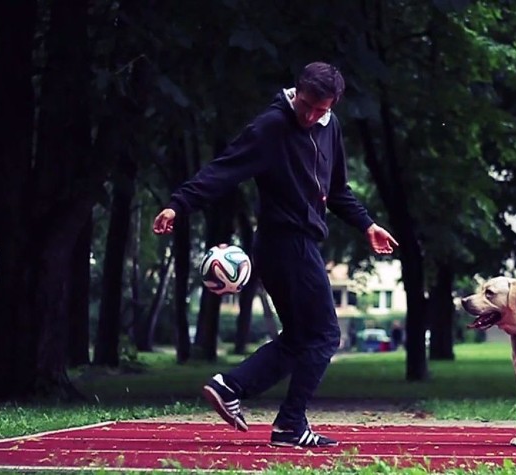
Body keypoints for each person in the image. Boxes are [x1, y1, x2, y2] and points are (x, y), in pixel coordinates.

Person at [152, 62, 398, 448]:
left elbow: (336, 191)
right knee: (325, 335)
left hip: (300, 243)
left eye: (321, 109)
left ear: (333, 106)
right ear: (295, 90)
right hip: (285, 242)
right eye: (306, 105)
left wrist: (366, 225)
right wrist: (178, 205)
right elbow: (225, 168)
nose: (311, 116)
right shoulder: (271, 126)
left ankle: (231, 386)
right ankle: (290, 422)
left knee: (301, 337)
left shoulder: (329, 126)